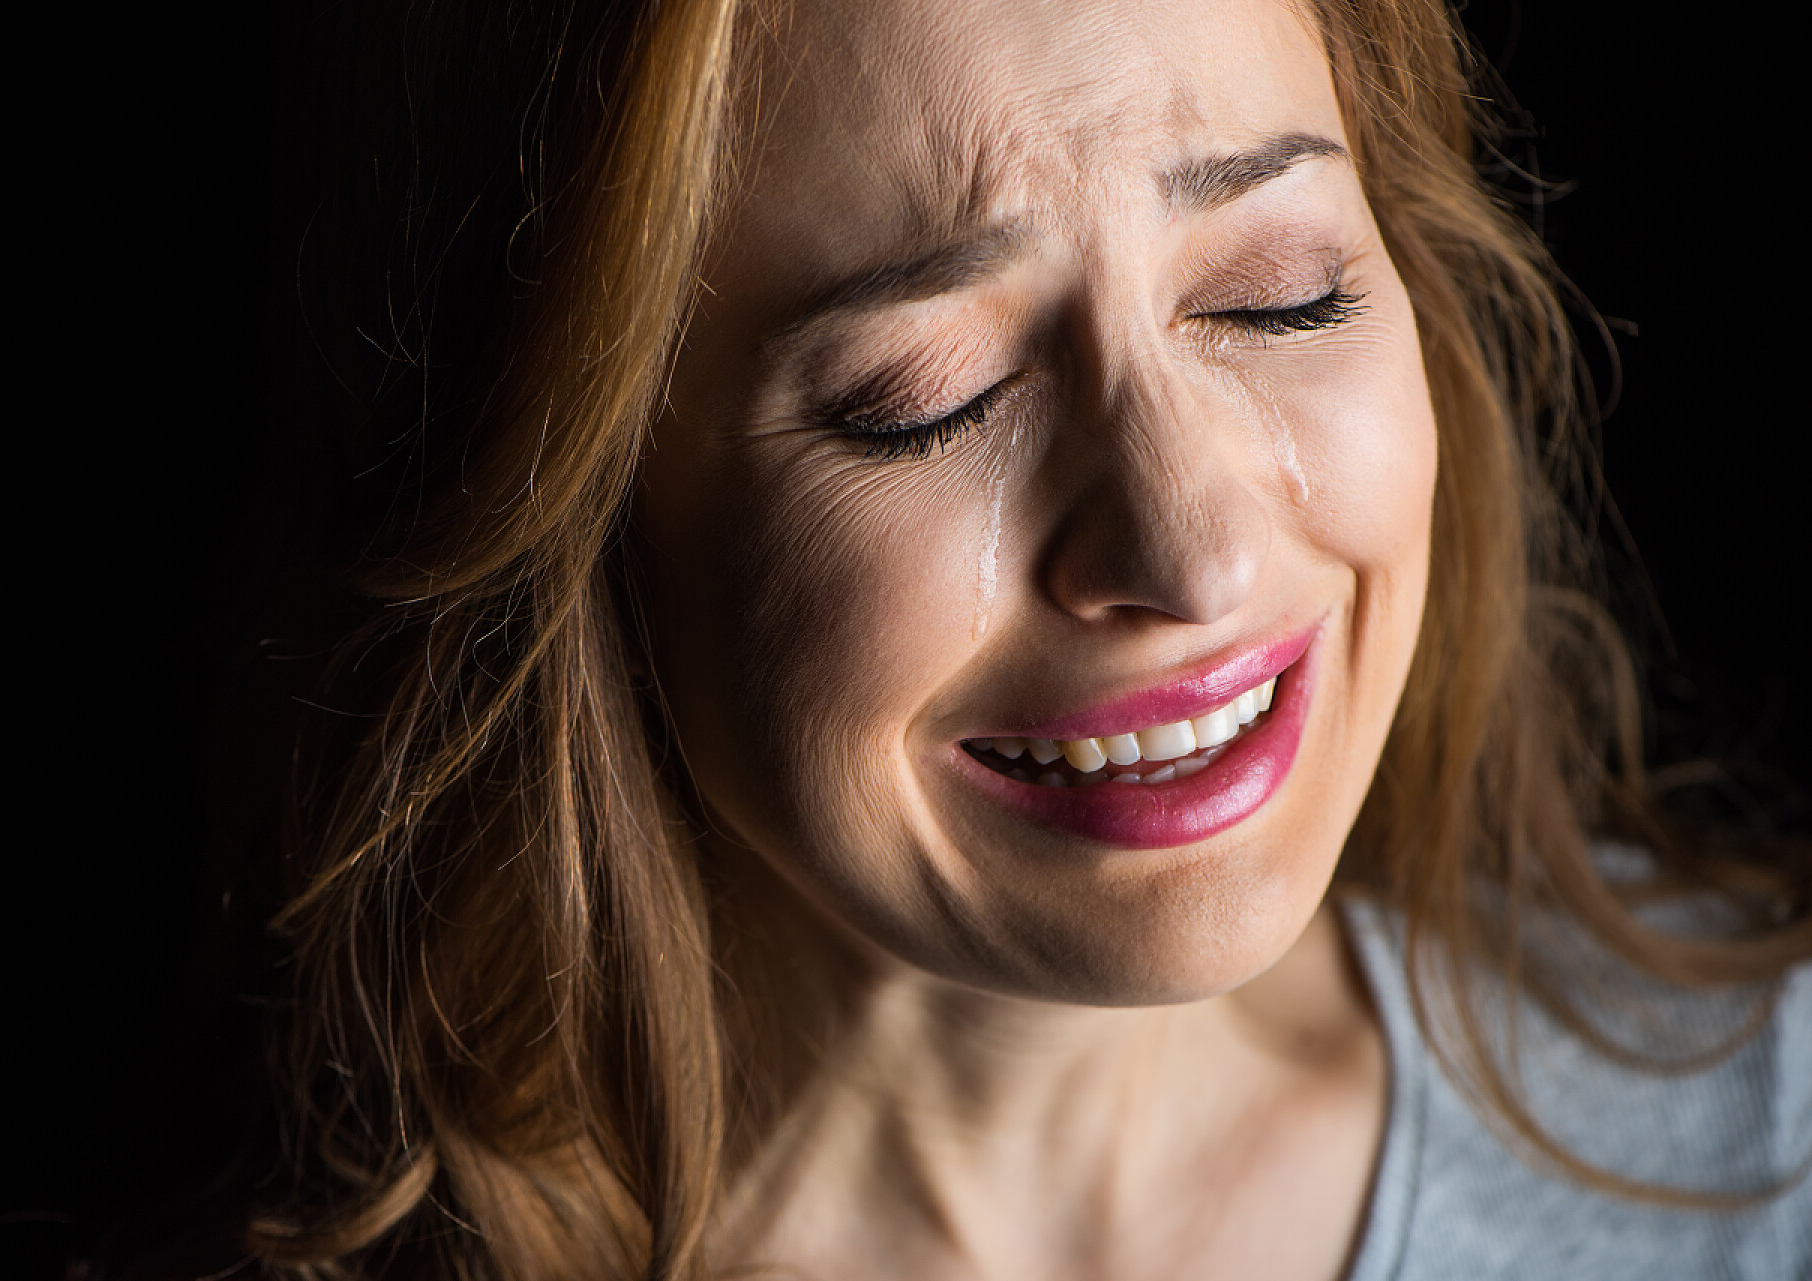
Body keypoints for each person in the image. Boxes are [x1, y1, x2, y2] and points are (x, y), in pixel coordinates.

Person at [239, 0, 1811, 1276]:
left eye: (1281, 295)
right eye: (929, 398)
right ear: (566, 498)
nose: (1192, 556)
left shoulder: (1761, 1138)